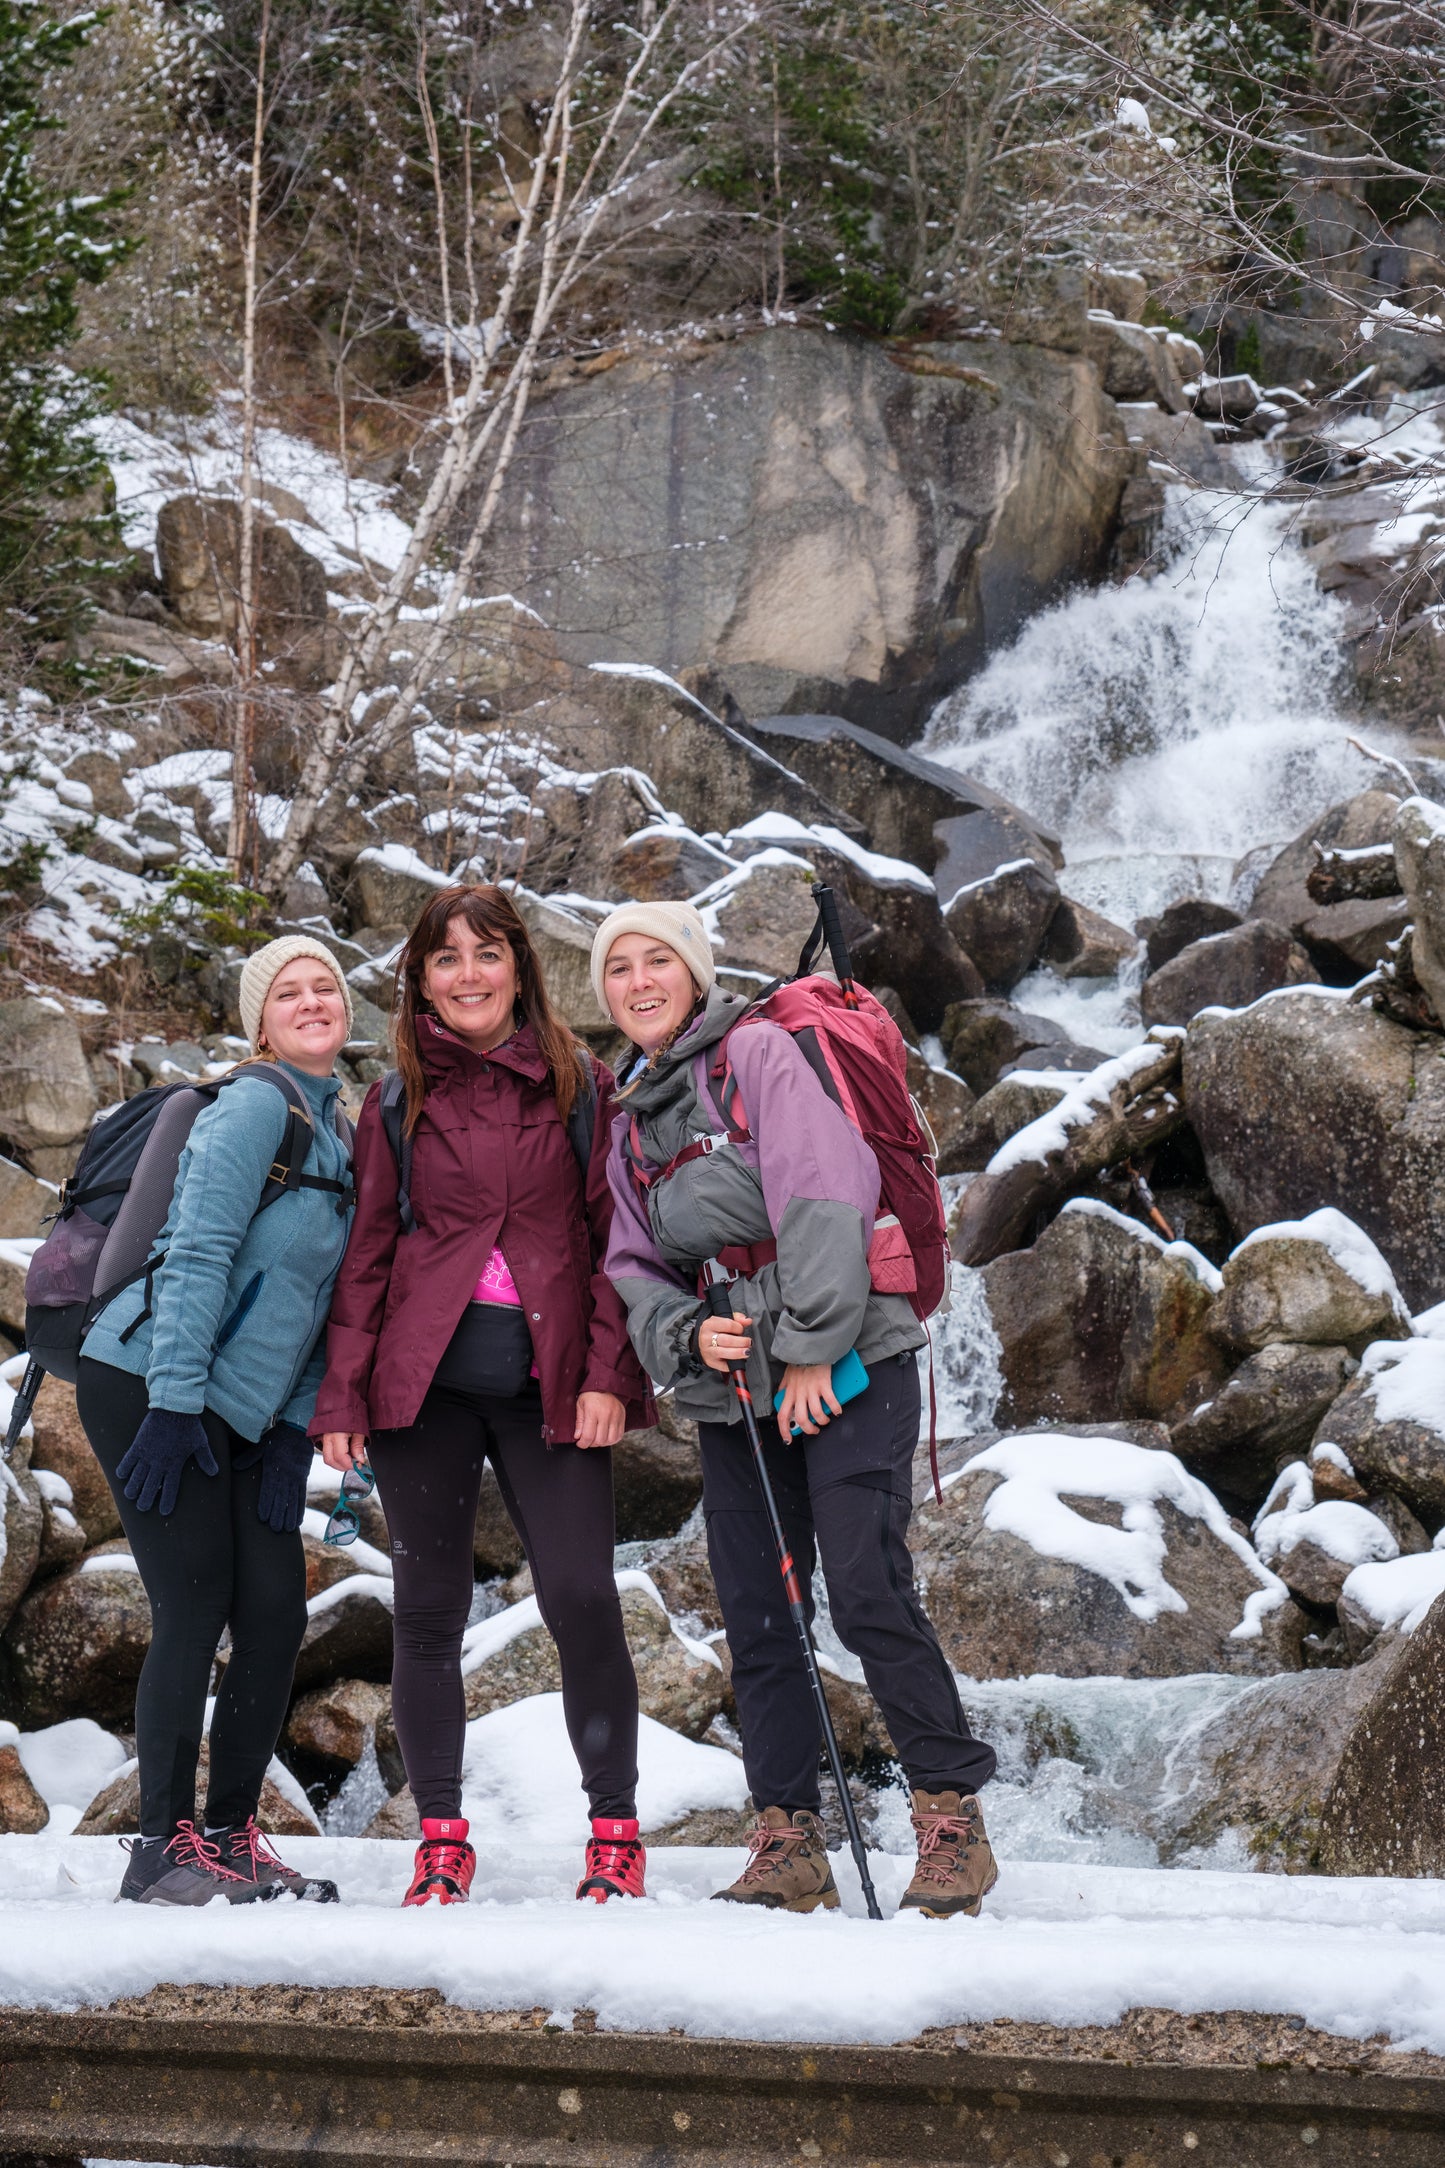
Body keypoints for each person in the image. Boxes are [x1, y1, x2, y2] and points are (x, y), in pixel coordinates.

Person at [594, 899, 999, 1920]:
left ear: (692, 971)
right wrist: (689, 1333)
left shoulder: (760, 1055)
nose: (639, 982)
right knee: (757, 1609)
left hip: (848, 1353)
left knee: (864, 1588)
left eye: (657, 961)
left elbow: (826, 1190)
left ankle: (949, 1819)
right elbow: (634, 1264)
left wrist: (812, 1348)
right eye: (618, 969)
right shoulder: (633, 1115)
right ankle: (785, 1839)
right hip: (737, 1387)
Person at [313, 883, 651, 1908]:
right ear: (419, 976)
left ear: (519, 965)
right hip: (425, 1392)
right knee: (424, 1611)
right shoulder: (393, 1098)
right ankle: (443, 1836)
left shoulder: (579, 1083)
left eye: (485, 952)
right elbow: (366, 1256)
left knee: (583, 1598)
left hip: (551, 1384)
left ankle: (614, 1831)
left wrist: (607, 1375)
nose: (466, 973)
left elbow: (613, 1241)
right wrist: (343, 1397)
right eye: (444, 957)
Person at [77, 936, 357, 1905]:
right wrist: (172, 1402)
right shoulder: (251, 1106)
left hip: (241, 1415)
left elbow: (322, 1300)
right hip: (150, 1383)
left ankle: (233, 1837)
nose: (313, 1000)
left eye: (326, 984)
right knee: (195, 1601)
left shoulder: (342, 1130)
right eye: (289, 991)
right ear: (261, 1019)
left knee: (275, 1612)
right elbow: (195, 1255)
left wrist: (287, 1429)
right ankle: (160, 1846)